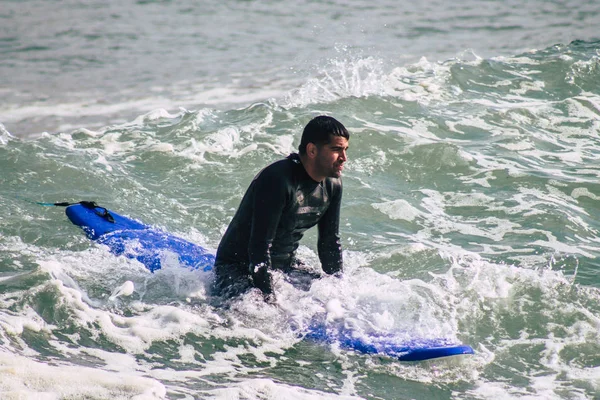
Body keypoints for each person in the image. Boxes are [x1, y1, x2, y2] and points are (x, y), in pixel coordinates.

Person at [213, 115, 349, 302]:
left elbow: (330, 243)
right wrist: (270, 299)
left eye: (345, 150)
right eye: (336, 150)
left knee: (328, 299)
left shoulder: (333, 185)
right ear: (311, 150)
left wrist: (338, 293)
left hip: (284, 267)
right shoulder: (278, 180)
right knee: (260, 315)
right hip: (239, 268)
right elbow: (259, 248)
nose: (344, 158)